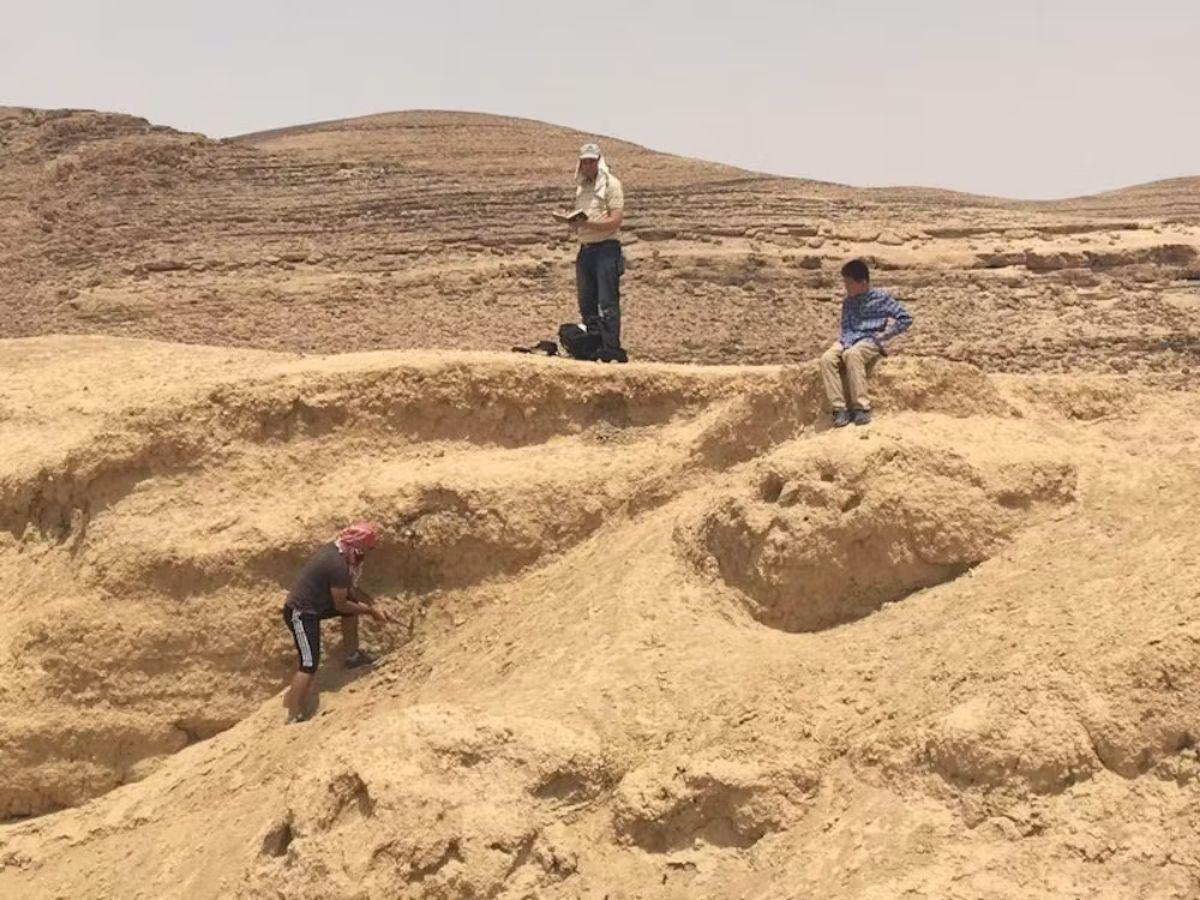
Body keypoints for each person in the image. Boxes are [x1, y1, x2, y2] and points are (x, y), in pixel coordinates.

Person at [282, 521, 388, 724]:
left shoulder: (343, 552)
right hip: (301, 613)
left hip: (317, 605)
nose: (369, 552)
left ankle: (352, 656)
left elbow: (350, 591)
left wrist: (374, 603)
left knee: (351, 611)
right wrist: (370, 611)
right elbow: (341, 604)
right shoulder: (337, 564)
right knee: (309, 663)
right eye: (368, 548)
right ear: (359, 545)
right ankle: (293, 713)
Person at [820, 259, 913, 427]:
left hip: (870, 339)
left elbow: (905, 319)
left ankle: (862, 408)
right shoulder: (848, 302)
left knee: (852, 355)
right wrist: (846, 343)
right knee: (827, 358)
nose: (846, 287)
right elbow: (846, 327)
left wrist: (883, 336)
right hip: (850, 338)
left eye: (848, 283)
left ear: (862, 283)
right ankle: (839, 408)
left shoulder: (881, 299)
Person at [570, 142, 627, 358]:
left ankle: (611, 348)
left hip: (606, 249)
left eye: (591, 161)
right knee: (586, 302)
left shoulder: (611, 185)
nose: (587, 165)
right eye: (584, 162)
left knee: (608, 303)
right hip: (585, 250)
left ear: (598, 161)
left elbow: (615, 221)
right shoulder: (582, 188)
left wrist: (588, 225)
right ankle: (592, 346)